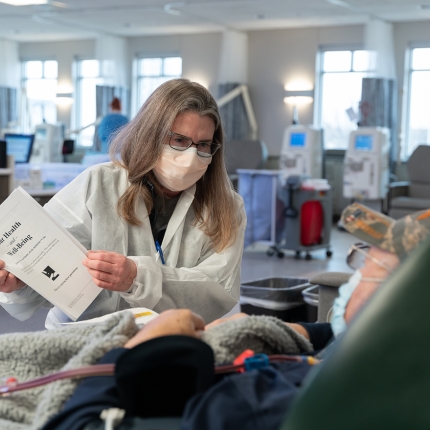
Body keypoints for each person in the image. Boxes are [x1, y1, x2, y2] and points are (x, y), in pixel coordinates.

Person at [0, 79, 246, 328]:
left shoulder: (227, 208)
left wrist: (137, 277)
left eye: (203, 144)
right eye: (179, 140)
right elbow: (55, 267)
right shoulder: (99, 184)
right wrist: (20, 282)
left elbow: (218, 290)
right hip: (84, 335)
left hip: (173, 337)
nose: (192, 156)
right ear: (151, 135)